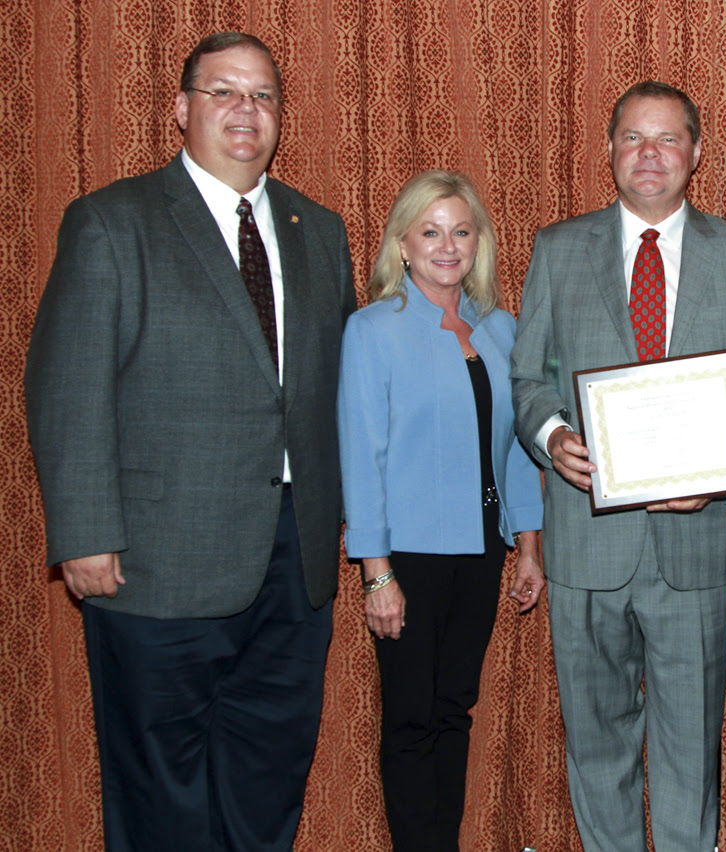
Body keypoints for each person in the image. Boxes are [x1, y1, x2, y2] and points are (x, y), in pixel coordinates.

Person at [24, 32, 356, 851]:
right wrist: (84, 531)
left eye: (263, 96)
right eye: (223, 92)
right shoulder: (112, 221)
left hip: (296, 557)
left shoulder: (319, 229)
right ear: (181, 108)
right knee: (157, 788)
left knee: (270, 770)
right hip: (154, 558)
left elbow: (340, 389)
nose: (246, 110)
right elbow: (65, 385)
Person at [511, 80, 726, 852]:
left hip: (692, 552)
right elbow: (528, 379)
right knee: (596, 745)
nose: (649, 155)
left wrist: (720, 477)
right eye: (632, 138)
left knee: (691, 746)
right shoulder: (558, 248)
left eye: (666, 139)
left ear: (695, 152)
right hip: (585, 545)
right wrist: (554, 436)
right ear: (609, 151)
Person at [337, 170, 543, 851]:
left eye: (460, 230)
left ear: (478, 242)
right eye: (430, 231)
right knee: (410, 718)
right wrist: (376, 573)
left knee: (454, 711)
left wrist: (529, 546)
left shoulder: (499, 329)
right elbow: (359, 457)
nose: (446, 245)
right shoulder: (372, 330)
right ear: (402, 244)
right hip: (408, 558)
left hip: (482, 553)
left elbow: (515, 449)